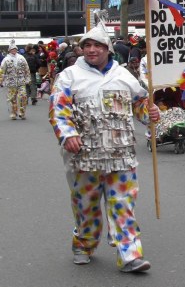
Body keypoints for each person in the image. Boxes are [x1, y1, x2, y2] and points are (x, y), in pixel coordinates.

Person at [48, 20, 160, 272]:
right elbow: (58, 110)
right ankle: (84, 242)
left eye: (97, 45)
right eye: (86, 45)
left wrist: (149, 112)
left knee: (123, 202)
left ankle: (129, 254)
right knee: (85, 205)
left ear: (107, 48)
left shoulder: (123, 75)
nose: (91, 50)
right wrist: (68, 134)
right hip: (83, 158)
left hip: (121, 156)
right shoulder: (69, 76)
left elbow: (140, 102)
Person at [0, 39, 31, 119]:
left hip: (21, 81)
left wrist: (28, 78)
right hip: (11, 82)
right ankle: (13, 113)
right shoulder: (6, 60)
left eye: (15, 49)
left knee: (23, 96)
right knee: (12, 99)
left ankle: (22, 112)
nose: (14, 51)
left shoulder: (21, 58)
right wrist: (1, 80)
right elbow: (2, 71)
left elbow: (26, 69)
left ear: (17, 50)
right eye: (12, 49)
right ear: (9, 50)